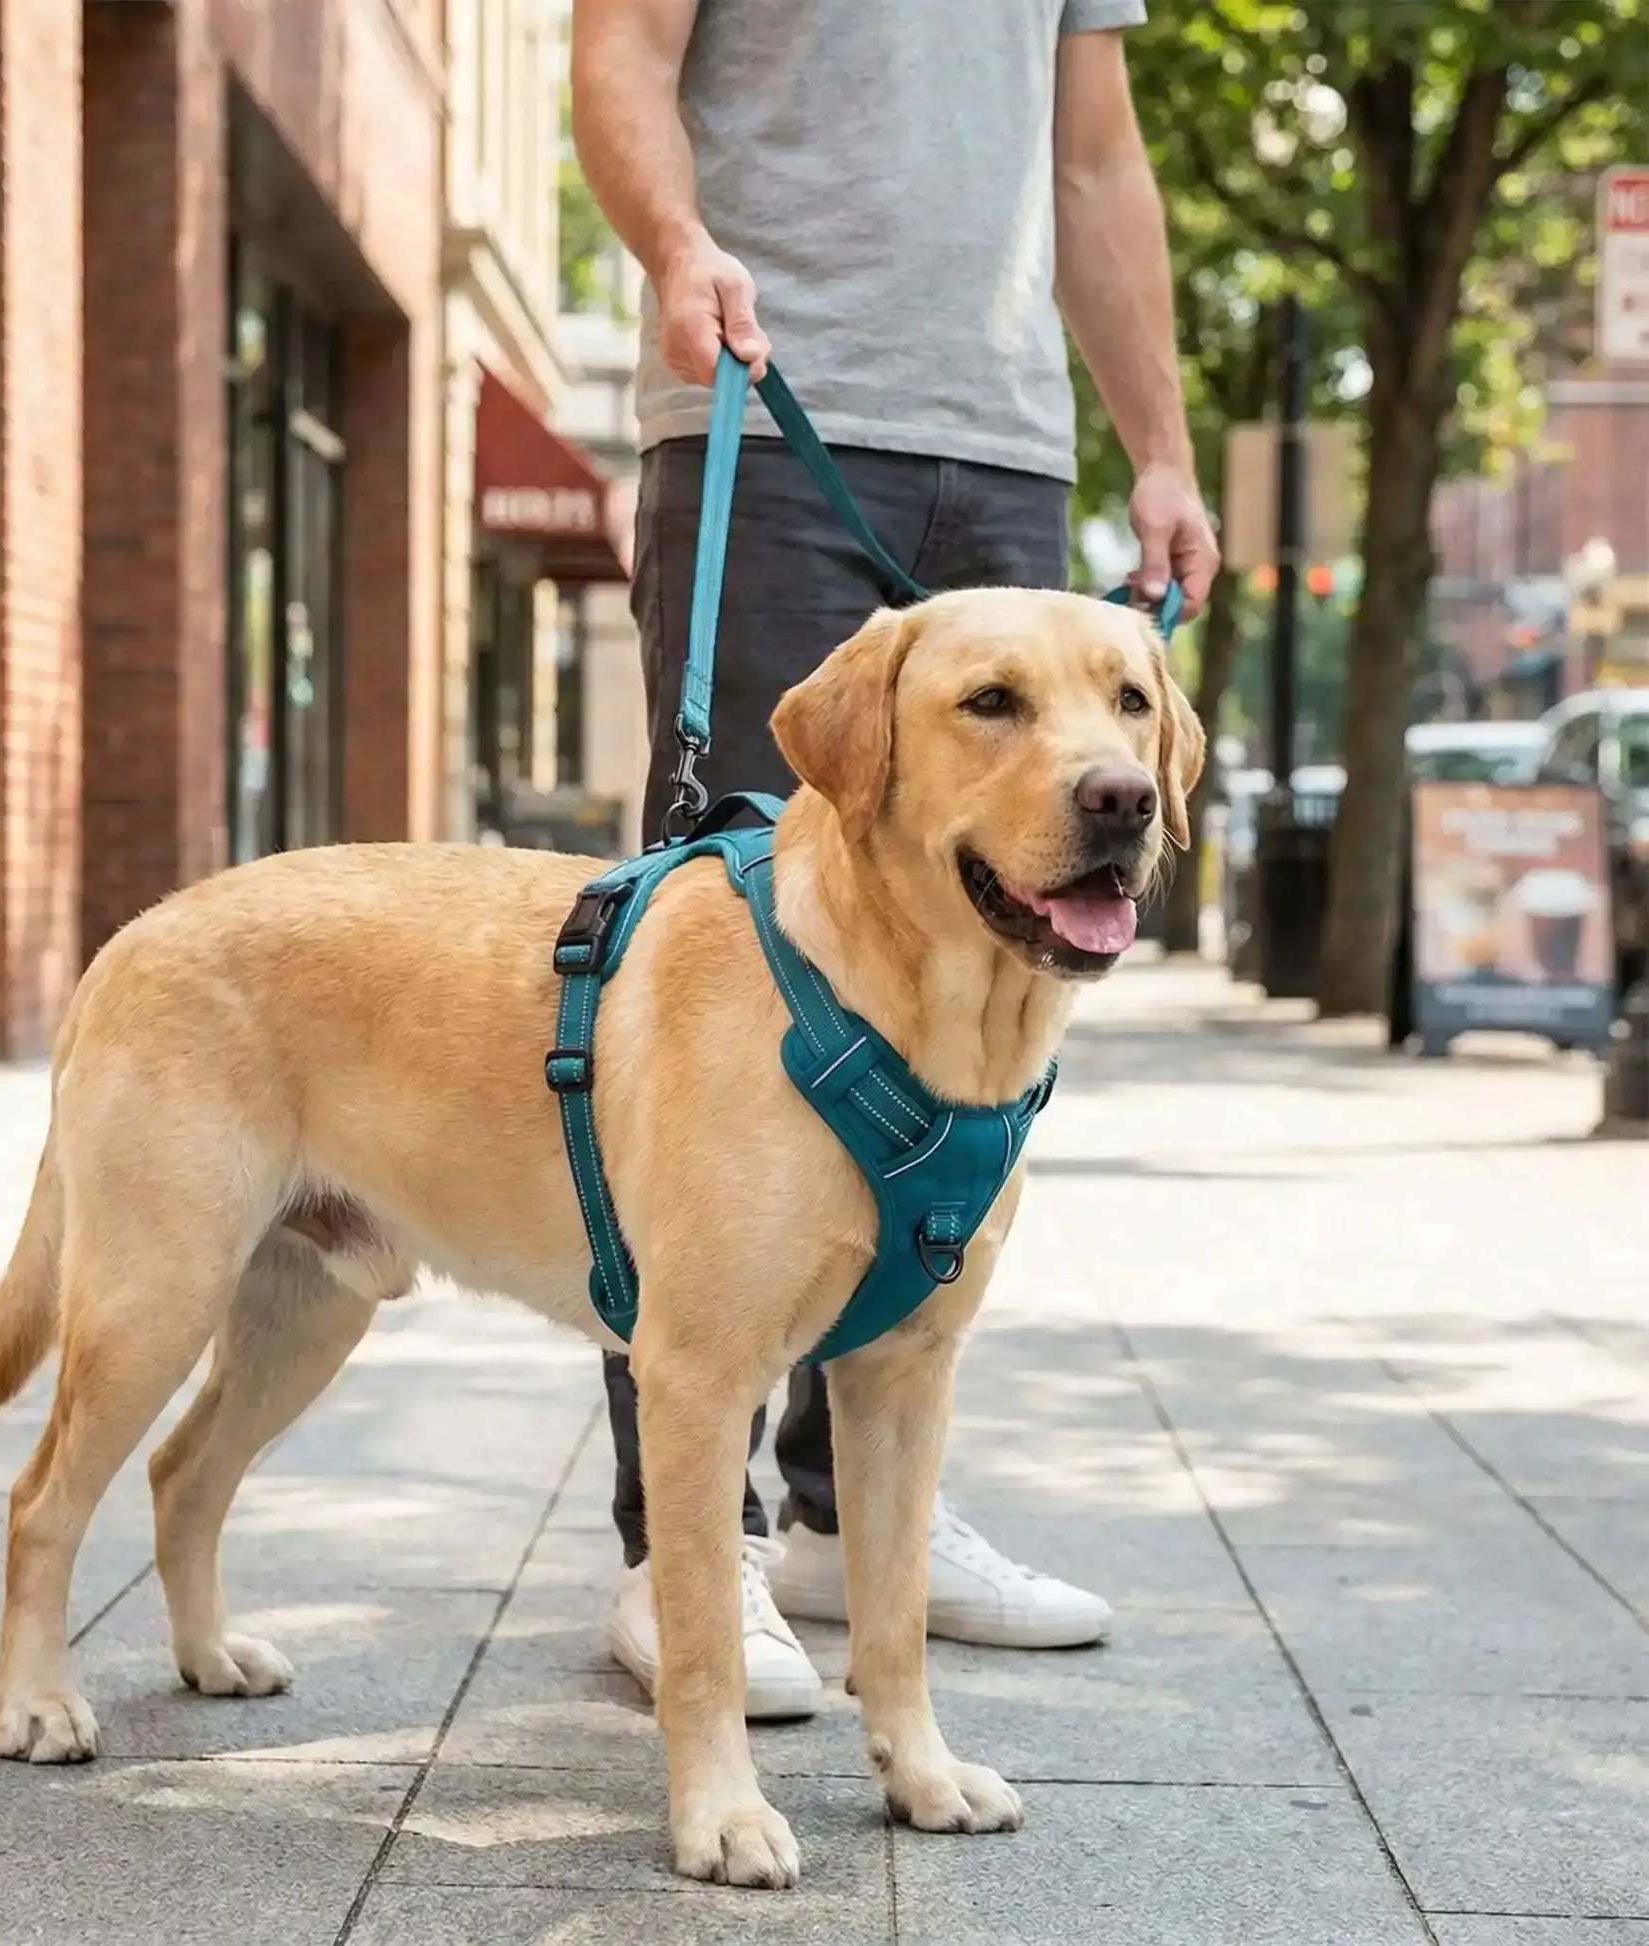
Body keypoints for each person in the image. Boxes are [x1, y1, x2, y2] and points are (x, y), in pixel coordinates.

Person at [570, 0, 1219, 1718]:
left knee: (983, 978)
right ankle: (676, 1546)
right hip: (763, 395)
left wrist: (1154, 438)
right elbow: (623, 52)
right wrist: (673, 243)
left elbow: (1092, 155)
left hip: (1001, 435)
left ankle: (856, 1518)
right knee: (728, 981)